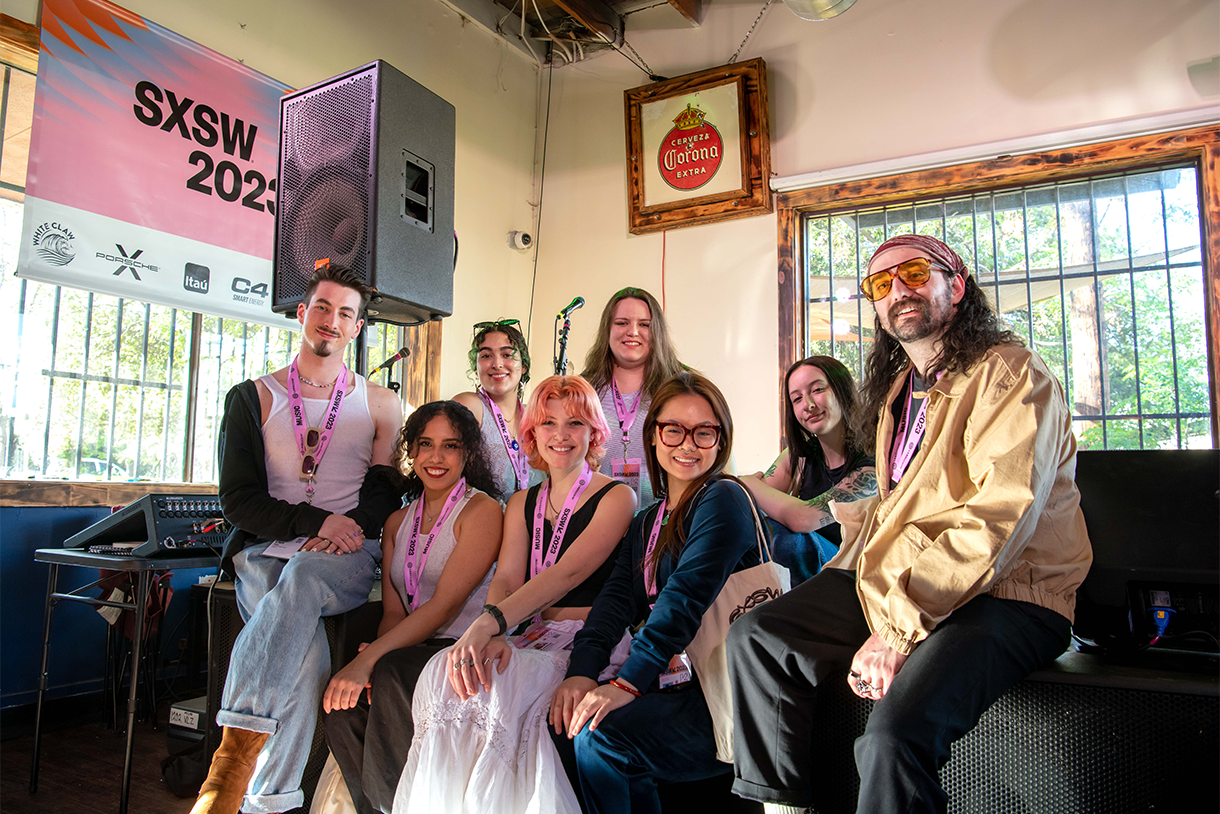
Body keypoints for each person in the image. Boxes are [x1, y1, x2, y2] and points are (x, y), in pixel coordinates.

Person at [728, 234, 1093, 814]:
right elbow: (898, 510)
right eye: (881, 283)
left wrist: (895, 632)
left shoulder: (1010, 373)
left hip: (1008, 593)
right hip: (911, 578)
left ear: (958, 284)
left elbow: (998, 520)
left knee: (891, 740)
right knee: (757, 638)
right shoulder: (901, 390)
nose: (898, 289)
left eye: (916, 273)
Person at [193, 265, 405, 814]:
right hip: (267, 551)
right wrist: (315, 522)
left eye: (346, 314)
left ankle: (228, 768)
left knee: (307, 575)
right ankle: (272, 802)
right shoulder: (251, 396)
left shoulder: (381, 404)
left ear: (357, 328)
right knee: (306, 662)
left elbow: (385, 495)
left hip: (346, 555)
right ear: (300, 313)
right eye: (323, 308)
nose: (332, 321)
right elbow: (237, 500)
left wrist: (342, 530)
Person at [392, 375, 636, 814]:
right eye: (548, 423)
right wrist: (497, 633)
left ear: (595, 433)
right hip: (529, 634)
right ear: (532, 433)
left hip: (588, 638)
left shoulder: (618, 496)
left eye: (575, 423)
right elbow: (506, 578)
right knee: (442, 674)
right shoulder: (523, 501)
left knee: (499, 685)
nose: (560, 435)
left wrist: (489, 624)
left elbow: (566, 573)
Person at [553, 371, 762, 813]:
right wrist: (582, 671)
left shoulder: (724, 498)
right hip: (678, 685)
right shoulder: (650, 518)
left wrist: (627, 683)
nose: (687, 444)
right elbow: (613, 603)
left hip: (725, 694)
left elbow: (682, 600)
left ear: (720, 441)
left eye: (703, 432)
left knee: (601, 738)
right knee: (565, 716)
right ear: (653, 436)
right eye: (674, 430)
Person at [322, 400, 505, 814]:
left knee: (388, 672)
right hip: (410, 648)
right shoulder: (396, 522)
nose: (435, 458)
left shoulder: (481, 510)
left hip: (464, 648)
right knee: (341, 707)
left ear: (468, 453)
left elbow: (442, 608)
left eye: (450, 446)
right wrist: (372, 653)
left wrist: (373, 661)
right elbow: (393, 613)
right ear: (412, 451)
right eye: (425, 444)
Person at [740, 356, 876, 583]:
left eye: (818, 389)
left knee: (786, 540)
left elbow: (803, 518)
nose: (808, 405)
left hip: (851, 572)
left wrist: (747, 481)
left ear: (842, 390)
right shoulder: (799, 456)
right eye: (797, 398)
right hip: (808, 573)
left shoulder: (873, 463)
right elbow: (748, 504)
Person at [580, 287, 685, 510]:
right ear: (607, 329)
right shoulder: (583, 390)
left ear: (657, 331)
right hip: (596, 517)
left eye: (644, 325)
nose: (633, 332)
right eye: (622, 323)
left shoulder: (681, 388)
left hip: (665, 519)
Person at [453, 319, 545, 498]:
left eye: (507, 355)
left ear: (524, 366)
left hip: (536, 521)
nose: (497, 364)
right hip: (485, 522)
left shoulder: (537, 416)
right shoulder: (469, 406)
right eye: (486, 356)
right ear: (476, 367)